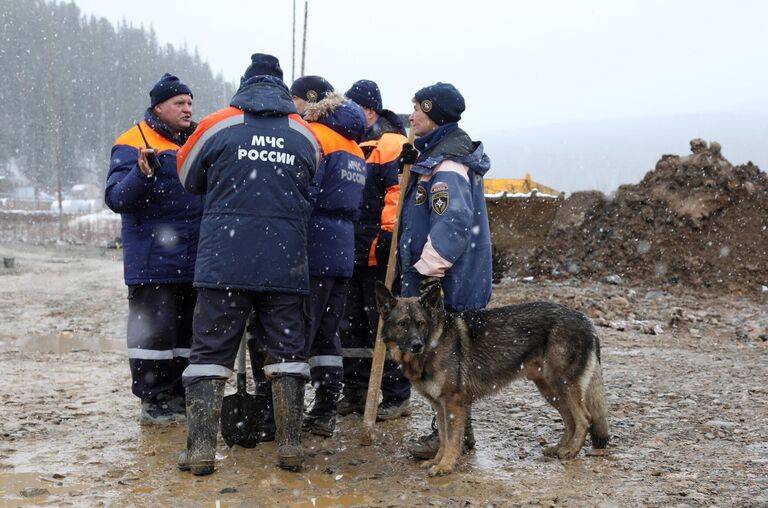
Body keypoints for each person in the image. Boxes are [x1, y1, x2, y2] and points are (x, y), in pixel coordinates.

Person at [175, 54, 320, 475]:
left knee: (209, 351)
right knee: (288, 351)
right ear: (281, 87)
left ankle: (201, 450)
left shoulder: (218, 124)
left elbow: (187, 175)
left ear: (244, 83)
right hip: (285, 261)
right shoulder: (304, 134)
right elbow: (312, 180)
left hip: (225, 260)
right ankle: (291, 445)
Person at [397, 82, 492, 459]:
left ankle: (447, 435)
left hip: (445, 281)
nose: (412, 115)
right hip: (446, 277)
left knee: (446, 364)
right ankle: (458, 432)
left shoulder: (448, 164)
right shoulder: (434, 157)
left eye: (418, 108)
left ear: (435, 114)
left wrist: (424, 272)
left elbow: (452, 222)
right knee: (451, 364)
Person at [105, 73, 202, 426]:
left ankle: (178, 393)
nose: (187, 109)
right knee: (154, 336)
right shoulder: (133, 142)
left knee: (186, 335)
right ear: (159, 107)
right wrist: (141, 175)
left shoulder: (196, 142)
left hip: (193, 261)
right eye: (179, 103)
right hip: (153, 261)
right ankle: (154, 398)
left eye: (190, 102)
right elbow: (117, 198)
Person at [288, 75, 368, 437]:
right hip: (341, 248)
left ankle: (286, 414)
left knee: (299, 331)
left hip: (313, 246)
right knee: (327, 335)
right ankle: (324, 410)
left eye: (294, 101)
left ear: (308, 101)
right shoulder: (353, 145)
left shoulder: (316, 137)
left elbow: (306, 193)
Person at [338, 79, 412, 420]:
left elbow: (397, 192)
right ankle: (354, 389)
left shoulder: (391, 143)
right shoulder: (352, 142)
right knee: (350, 326)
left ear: (368, 109)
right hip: (350, 252)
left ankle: (396, 394)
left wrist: (385, 236)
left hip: (377, 253)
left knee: (385, 325)